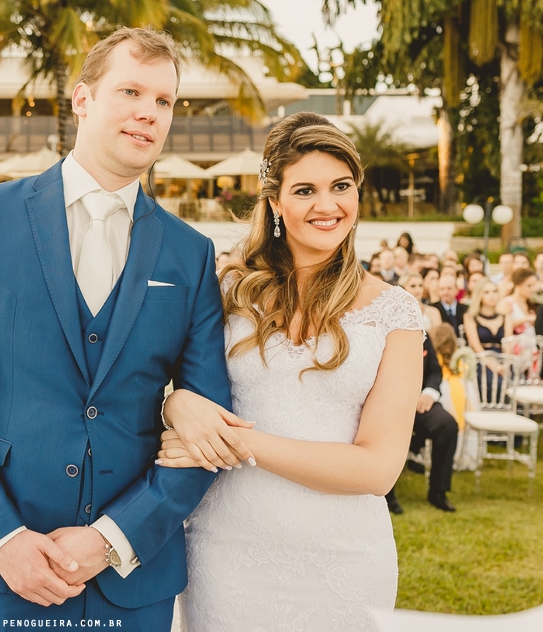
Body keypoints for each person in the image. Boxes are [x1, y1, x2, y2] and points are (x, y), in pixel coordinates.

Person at [0, 28, 236, 628]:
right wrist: (3, 537)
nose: (148, 112)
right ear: (82, 99)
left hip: (132, 578)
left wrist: (112, 538)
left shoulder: (189, 253)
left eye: (164, 101)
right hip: (7, 570)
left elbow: (206, 428)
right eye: (131, 91)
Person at [159, 112, 423, 631]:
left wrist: (232, 444)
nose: (327, 206)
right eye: (305, 190)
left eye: (341, 186)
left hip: (345, 559)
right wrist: (177, 403)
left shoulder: (396, 312)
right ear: (275, 203)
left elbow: (377, 470)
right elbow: (160, 383)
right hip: (225, 552)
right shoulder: (225, 292)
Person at [384, 272, 460, 515]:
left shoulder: (422, 333)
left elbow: (435, 372)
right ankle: (387, 496)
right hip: (390, 404)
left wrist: (428, 394)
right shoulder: (384, 330)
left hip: (421, 403)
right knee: (386, 430)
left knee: (447, 425)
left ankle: (438, 491)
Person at [497, 268, 538, 335]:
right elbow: (500, 326)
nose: (533, 289)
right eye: (529, 285)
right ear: (518, 284)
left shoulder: (532, 304)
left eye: (534, 285)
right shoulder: (506, 303)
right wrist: (526, 319)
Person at [433, 273, 468, 341]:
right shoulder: (433, 308)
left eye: (449, 288)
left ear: (456, 290)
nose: (445, 292)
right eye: (442, 289)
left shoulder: (466, 309)